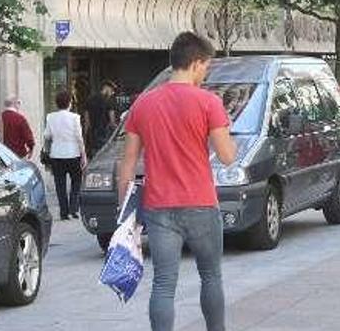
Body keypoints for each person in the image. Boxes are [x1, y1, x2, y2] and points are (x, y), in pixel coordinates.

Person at [116, 32, 237, 331]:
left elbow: (127, 162)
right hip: (200, 204)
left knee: (163, 283)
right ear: (196, 63)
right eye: (206, 66)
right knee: (211, 275)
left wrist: (125, 212)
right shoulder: (209, 102)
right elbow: (227, 157)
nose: (205, 72)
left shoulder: (143, 104)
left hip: (159, 207)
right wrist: (226, 129)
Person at [44, 91, 87, 220]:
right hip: (73, 152)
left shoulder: (50, 117)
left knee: (60, 184)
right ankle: (74, 209)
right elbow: (79, 137)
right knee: (76, 182)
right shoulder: (75, 117)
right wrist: (83, 154)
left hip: (56, 154)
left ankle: (64, 212)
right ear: (69, 103)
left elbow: (47, 136)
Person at [84, 81, 118, 156]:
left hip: (93, 133)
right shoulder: (109, 101)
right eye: (112, 90)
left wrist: (86, 133)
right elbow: (112, 121)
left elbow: (87, 120)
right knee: (104, 156)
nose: (112, 93)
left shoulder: (90, 99)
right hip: (104, 133)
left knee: (94, 156)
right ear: (106, 87)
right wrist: (117, 129)